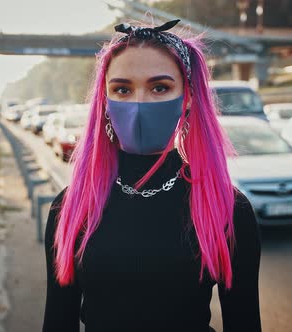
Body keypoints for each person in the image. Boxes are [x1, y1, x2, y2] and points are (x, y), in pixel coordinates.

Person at [43, 19, 261, 332]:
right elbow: (57, 323)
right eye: (122, 89)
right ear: (104, 102)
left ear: (187, 98)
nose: (139, 103)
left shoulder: (227, 208)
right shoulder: (71, 207)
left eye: (160, 87)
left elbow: (245, 324)